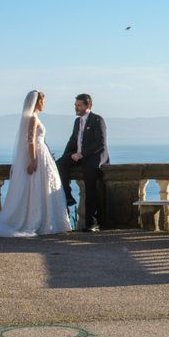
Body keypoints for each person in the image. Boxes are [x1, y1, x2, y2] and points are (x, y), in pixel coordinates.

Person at [0, 91, 72, 237]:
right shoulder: (33, 118)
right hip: (38, 156)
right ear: (37, 102)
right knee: (38, 188)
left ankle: (47, 220)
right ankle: (41, 221)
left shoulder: (33, 118)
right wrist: (33, 161)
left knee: (42, 187)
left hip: (42, 155)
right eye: (43, 101)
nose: (44, 103)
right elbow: (30, 141)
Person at [56, 93, 109, 232]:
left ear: (88, 106)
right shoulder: (77, 122)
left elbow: (101, 143)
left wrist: (82, 154)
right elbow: (72, 141)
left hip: (93, 157)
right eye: (75, 105)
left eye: (79, 105)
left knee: (90, 186)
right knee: (60, 164)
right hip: (79, 156)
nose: (76, 108)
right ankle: (67, 195)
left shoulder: (97, 120)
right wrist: (66, 157)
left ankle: (91, 223)